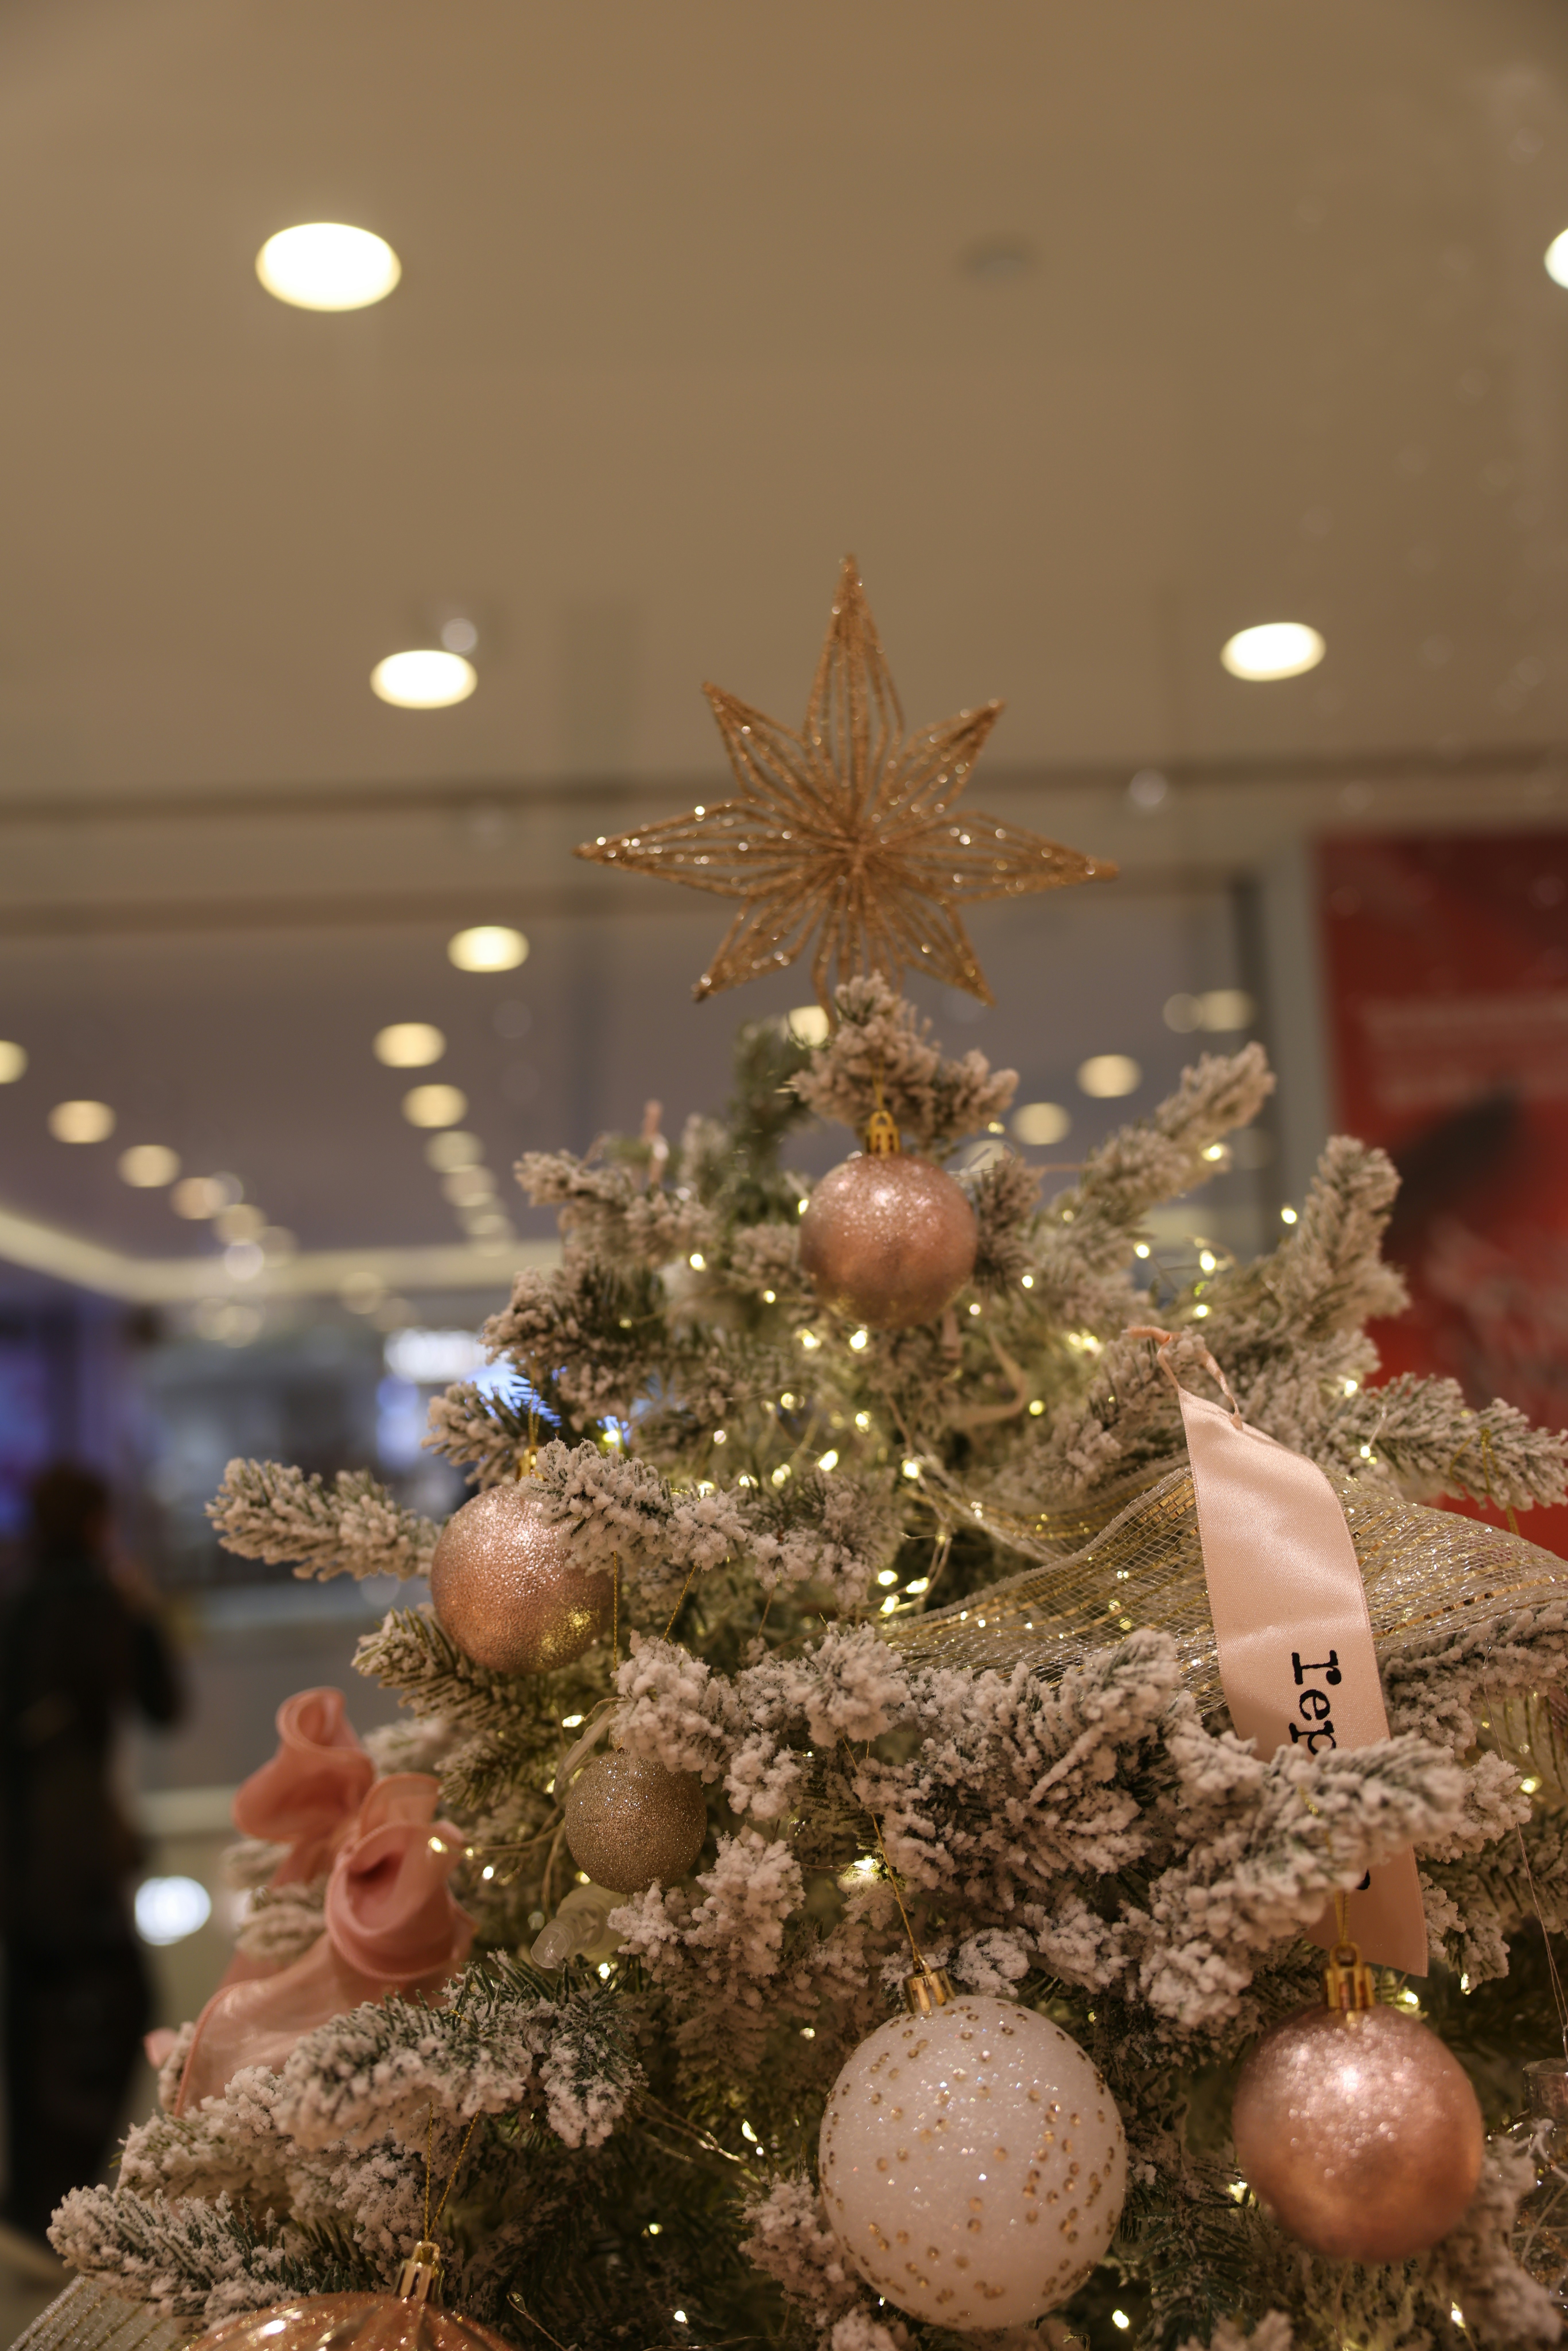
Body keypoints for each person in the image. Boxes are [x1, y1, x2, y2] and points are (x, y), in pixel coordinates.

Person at [0, 1464, 183, 2248]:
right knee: (119, 2008)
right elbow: (165, 1706)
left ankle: (37, 2204)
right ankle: (61, 2206)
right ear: (99, 1524)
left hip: (22, 1855)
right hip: (73, 1864)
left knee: (36, 2025)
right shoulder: (100, 1603)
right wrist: (142, 1615)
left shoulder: (16, 1606)